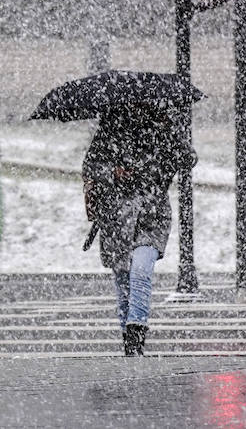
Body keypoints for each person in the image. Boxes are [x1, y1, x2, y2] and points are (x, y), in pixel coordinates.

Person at [82, 106, 191, 357]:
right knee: (123, 282)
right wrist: (114, 173)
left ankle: (136, 331)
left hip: (152, 217)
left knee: (141, 272)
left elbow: (188, 157)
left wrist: (168, 129)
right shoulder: (110, 128)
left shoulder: (162, 128)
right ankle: (128, 338)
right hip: (117, 217)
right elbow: (90, 166)